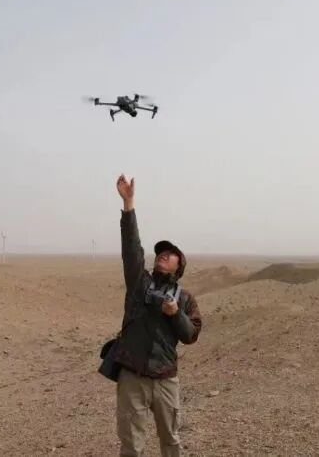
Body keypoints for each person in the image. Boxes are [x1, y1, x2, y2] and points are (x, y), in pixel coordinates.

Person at [113, 174, 202, 457]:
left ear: (179, 266)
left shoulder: (185, 299)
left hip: (165, 379)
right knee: (132, 446)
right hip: (133, 377)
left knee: (171, 441)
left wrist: (175, 315)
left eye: (169, 253)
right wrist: (129, 205)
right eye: (160, 252)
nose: (162, 254)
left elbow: (191, 335)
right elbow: (131, 250)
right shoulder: (139, 283)